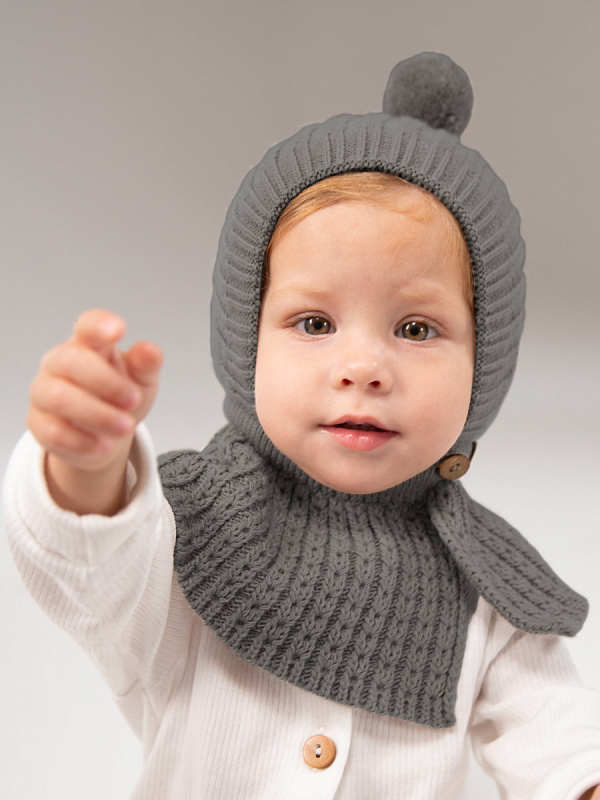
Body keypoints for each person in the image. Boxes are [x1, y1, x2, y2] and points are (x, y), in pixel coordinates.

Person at [5, 52, 600, 799]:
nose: (364, 367)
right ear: (246, 342)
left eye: (416, 329)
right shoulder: (190, 527)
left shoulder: (482, 582)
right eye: (314, 322)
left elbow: (558, 738)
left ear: (485, 364)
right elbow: (90, 566)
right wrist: (87, 465)